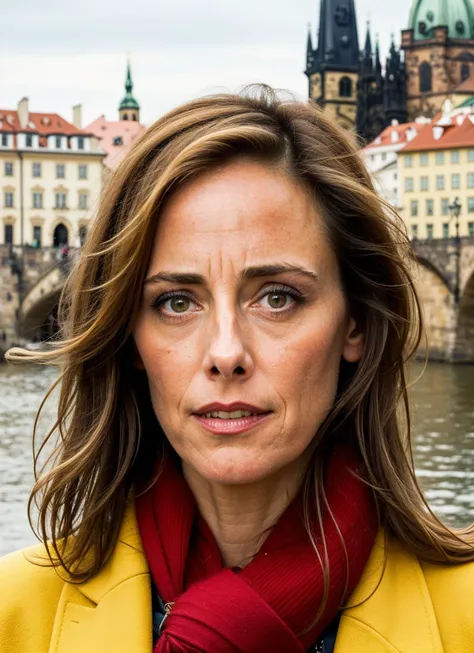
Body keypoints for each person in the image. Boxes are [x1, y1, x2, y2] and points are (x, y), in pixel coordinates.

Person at [2, 86, 473, 653]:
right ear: (129, 337)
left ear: (357, 323)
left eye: (277, 297)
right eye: (176, 302)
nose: (226, 353)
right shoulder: (15, 612)